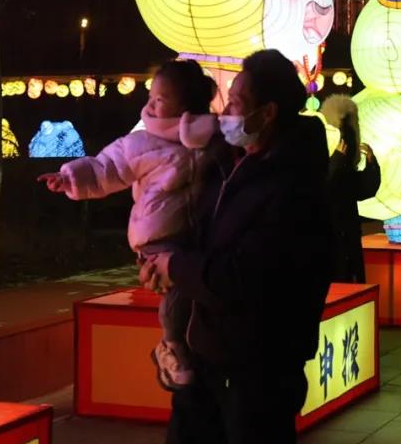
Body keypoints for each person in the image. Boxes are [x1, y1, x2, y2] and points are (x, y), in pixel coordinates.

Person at [140, 49, 332, 443]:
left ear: (268, 113)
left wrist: (176, 267)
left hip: (257, 371)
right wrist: (162, 261)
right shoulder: (230, 164)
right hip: (208, 363)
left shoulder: (293, 187)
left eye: (237, 102)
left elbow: (245, 277)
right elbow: (200, 238)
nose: (225, 112)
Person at [39, 60, 217, 390]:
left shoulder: (214, 140)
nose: (151, 105)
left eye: (161, 99)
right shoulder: (143, 143)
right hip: (157, 234)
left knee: (200, 287)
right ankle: (171, 344)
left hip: (199, 234)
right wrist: (69, 177)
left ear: (186, 105)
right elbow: (107, 167)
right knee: (179, 285)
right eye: (151, 97)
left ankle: (192, 347)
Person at [320, 94, 380, 283]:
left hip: (347, 230)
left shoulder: (344, 162)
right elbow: (322, 188)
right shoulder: (324, 159)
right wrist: (335, 163)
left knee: (348, 275)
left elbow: (362, 189)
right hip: (329, 233)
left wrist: (371, 165)